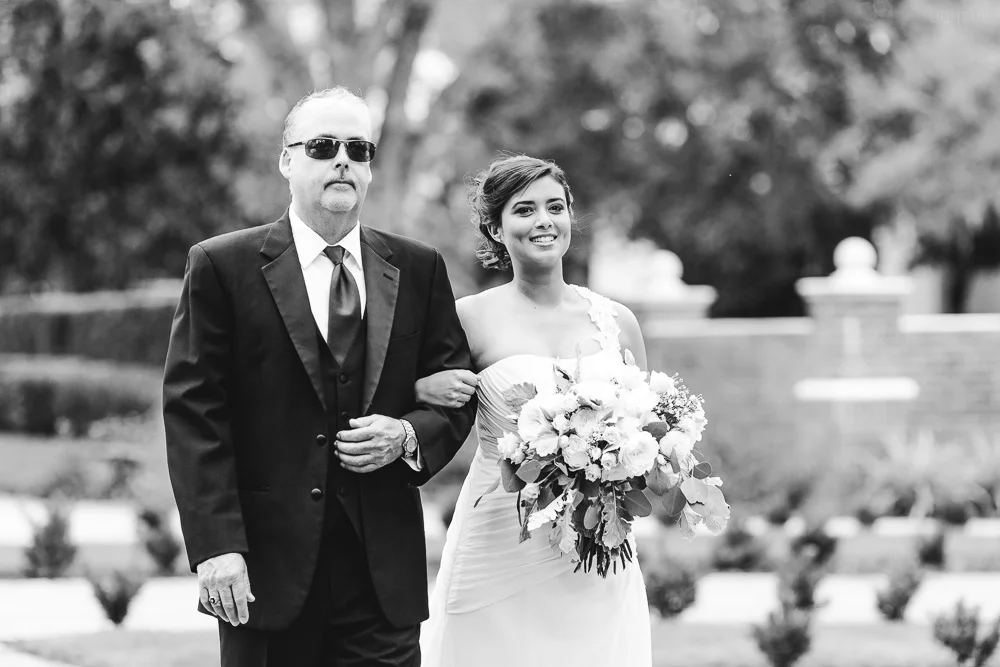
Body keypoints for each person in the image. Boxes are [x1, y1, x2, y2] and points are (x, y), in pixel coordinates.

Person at [162, 86, 477, 667]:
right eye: (323, 146)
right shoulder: (220, 266)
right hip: (264, 571)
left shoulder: (419, 267)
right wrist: (217, 547)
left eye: (359, 149)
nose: (343, 161)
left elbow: (455, 390)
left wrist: (408, 435)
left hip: (382, 577)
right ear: (287, 161)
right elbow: (194, 415)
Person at [416, 154, 653, 666]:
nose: (544, 220)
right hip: (499, 536)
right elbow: (403, 396)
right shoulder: (465, 318)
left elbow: (649, 430)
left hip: (594, 539)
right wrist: (421, 386)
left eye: (555, 207)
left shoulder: (618, 321)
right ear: (495, 229)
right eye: (524, 210)